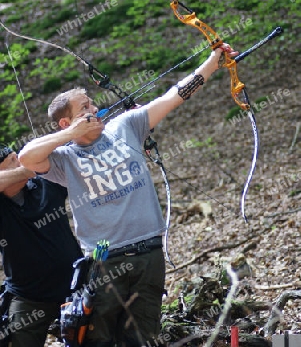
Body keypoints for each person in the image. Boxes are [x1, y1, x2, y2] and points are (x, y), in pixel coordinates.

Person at [19, 45, 237, 347]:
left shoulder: (125, 125)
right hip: (105, 261)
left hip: (149, 254)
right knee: (98, 340)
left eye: (92, 105)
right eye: (84, 109)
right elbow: (26, 158)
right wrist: (70, 135)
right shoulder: (63, 159)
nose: (93, 110)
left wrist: (212, 63)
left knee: (142, 339)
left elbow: (173, 96)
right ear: (66, 123)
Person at [0, 144, 83, 347]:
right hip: (27, 296)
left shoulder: (46, 182)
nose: (20, 161)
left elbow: (77, 151)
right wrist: (29, 169)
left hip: (75, 287)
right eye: (13, 161)